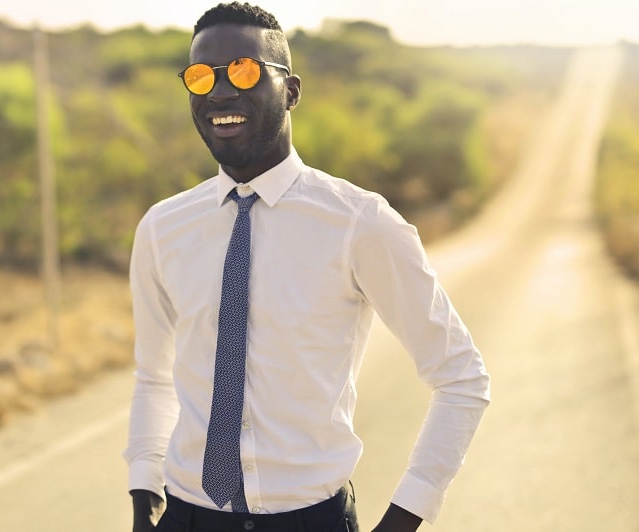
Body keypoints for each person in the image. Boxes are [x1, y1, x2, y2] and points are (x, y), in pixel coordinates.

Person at [124, 3, 490, 531]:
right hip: (186, 517)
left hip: (309, 520)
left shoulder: (360, 223)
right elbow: (154, 376)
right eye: (201, 77)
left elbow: (461, 377)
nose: (220, 92)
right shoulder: (163, 227)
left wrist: (406, 516)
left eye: (244, 71)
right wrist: (144, 495)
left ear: (291, 91)